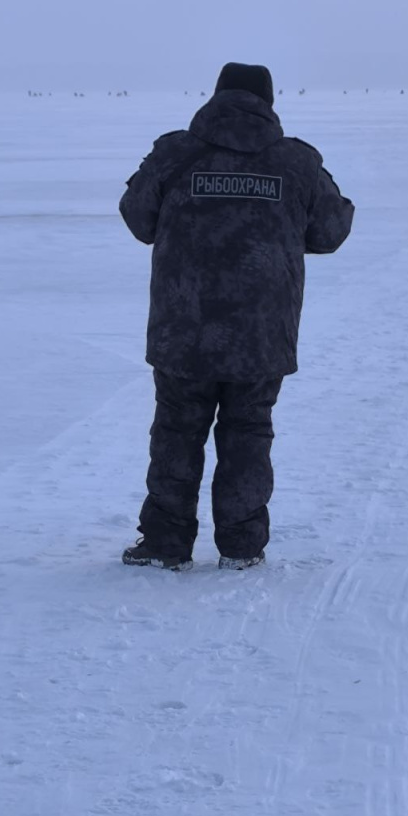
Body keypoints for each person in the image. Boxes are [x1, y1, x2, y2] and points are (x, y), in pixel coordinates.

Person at [119, 63, 354, 571]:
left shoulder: (175, 154)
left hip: (183, 331)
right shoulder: (298, 163)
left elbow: (138, 219)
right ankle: (243, 547)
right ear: (269, 102)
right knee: (249, 433)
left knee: (176, 433)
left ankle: (164, 544)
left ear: (216, 96)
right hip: (262, 336)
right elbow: (331, 232)